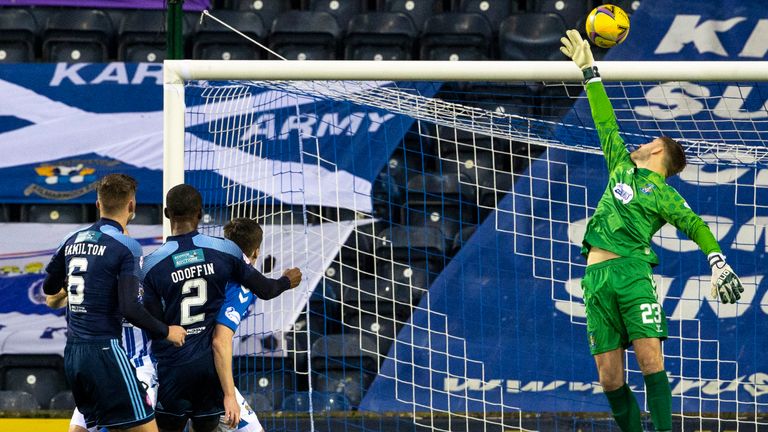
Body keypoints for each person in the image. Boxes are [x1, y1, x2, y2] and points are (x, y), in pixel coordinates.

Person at [559, 30, 745, 432]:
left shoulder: (664, 194)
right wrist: (589, 72)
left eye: (648, 141)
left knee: (649, 361)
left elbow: (694, 225)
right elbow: (604, 119)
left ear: (659, 150)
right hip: (595, 278)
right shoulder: (620, 166)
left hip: (632, 275)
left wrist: (717, 262)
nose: (639, 143)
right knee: (609, 378)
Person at [140, 184, 302, 432]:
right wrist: (286, 281)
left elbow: (154, 325)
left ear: (166, 213)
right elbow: (266, 290)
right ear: (200, 213)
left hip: (171, 371)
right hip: (208, 372)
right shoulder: (225, 251)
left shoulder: (151, 264)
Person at [42, 174, 186, 432]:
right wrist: (168, 331)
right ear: (132, 206)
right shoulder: (127, 248)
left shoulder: (71, 238)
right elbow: (131, 309)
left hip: (74, 354)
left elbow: (48, 289)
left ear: (98, 204)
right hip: (108, 354)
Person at [213, 218, 269, 431]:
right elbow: (219, 341)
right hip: (208, 375)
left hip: (171, 364)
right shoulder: (240, 288)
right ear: (256, 252)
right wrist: (229, 395)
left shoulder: (208, 270)